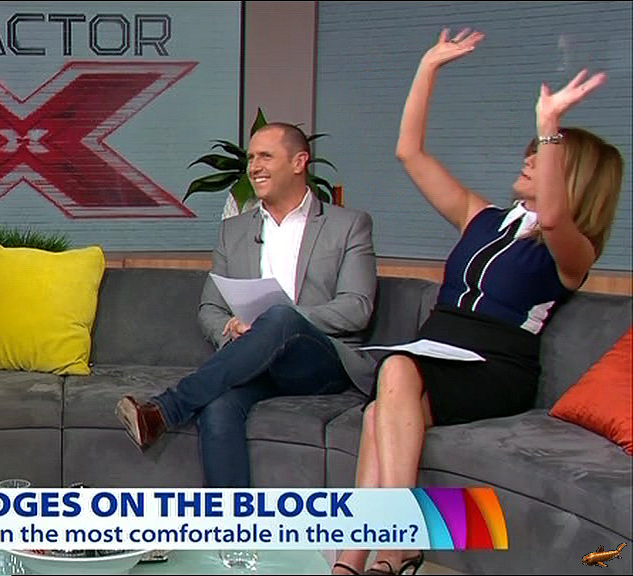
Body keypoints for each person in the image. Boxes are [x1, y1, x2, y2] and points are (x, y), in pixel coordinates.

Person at [332, 28, 623, 576]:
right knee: (377, 411)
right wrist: (426, 67)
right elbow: (409, 152)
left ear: (573, 177)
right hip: (434, 355)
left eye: (544, 155)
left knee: (395, 370)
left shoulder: (571, 249)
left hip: (494, 366)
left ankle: (390, 546)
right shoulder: (482, 217)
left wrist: (549, 126)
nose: (530, 158)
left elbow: (553, 217)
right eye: (533, 151)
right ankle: (357, 562)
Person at [115, 122, 378, 487]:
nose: (254, 167)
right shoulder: (234, 231)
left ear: (299, 162)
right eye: (251, 158)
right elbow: (210, 309)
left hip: (319, 362)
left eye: (265, 156)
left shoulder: (348, 225)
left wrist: (277, 321)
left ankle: (165, 409)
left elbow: (357, 306)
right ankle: (229, 520)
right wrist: (234, 331)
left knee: (280, 318)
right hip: (255, 363)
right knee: (217, 406)